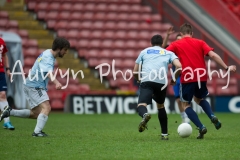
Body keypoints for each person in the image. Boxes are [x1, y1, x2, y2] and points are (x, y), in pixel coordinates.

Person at [166, 23, 236, 139]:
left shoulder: (176, 44)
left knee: (185, 105)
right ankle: (212, 116)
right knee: (199, 99)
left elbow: (165, 54)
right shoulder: (200, 42)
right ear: (192, 33)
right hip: (201, 76)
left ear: (181, 34)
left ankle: (201, 126)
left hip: (187, 77)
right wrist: (226, 67)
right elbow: (213, 55)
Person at [0, 37, 70, 137]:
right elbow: (48, 73)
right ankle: (37, 132)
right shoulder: (48, 57)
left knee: (36, 113)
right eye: (65, 49)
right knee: (46, 107)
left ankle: (10, 112)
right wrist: (56, 82)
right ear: (59, 48)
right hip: (35, 85)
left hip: (32, 84)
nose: (66, 52)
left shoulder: (48, 53)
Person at [133, 34, 181, 140]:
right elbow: (179, 66)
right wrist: (174, 78)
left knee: (141, 105)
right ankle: (164, 134)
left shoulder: (144, 52)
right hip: (161, 83)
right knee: (160, 106)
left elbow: (135, 71)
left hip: (147, 80)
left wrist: (138, 78)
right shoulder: (168, 52)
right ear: (162, 44)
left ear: (151, 43)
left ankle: (145, 115)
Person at [162, 27, 189, 123]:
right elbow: (163, 48)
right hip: (176, 77)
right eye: (177, 40)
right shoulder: (172, 50)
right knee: (178, 100)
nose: (179, 41)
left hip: (186, 76)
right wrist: (168, 35)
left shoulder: (187, 50)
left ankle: (188, 115)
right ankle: (184, 117)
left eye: (180, 39)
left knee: (186, 99)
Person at [0, 37, 15, 130]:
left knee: (3, 94)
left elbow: (5, 55)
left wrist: (8, 69)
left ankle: (7, 122)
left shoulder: (1, 41)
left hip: (1, 72)